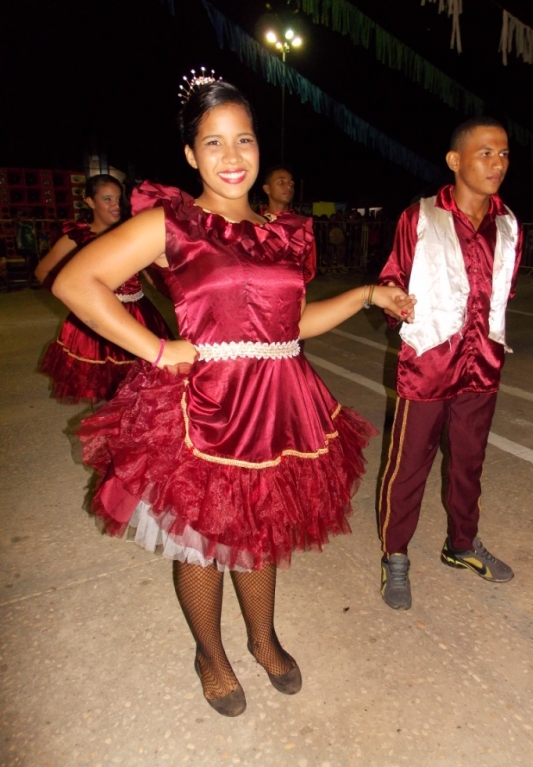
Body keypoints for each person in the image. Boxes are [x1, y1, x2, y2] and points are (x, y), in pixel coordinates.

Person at [52, 76, 415, 717]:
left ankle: (263, 638)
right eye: (213, 142)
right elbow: (77, 282)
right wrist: (159, 351)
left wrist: (365, 295)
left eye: (243, 139)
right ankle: (210, 654)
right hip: (207, 406)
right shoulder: (173, 223)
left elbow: (291, 324)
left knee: (259, 532)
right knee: (201, 541)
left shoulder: (285, 232)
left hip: (280, 402)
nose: (232, 156)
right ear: (191, 155)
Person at [377, 116, 523, 611]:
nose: (497, 163)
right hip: (428, 365)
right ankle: (395, 554)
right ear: (455, 161)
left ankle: (461, 545)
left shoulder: (509, 224)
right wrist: (393, 298)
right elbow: (392, 276)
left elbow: (504, 290)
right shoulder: (419, 216)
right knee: (408, 467)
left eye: (503, 154)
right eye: (485, 153)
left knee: (469, 465)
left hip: (482, 365)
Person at [36, 174, 172, 403]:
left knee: (148, 382)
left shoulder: (131, 231)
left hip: (140, 312)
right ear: (89, 201)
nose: (115, 205)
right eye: (107, 199)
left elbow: (149, 275)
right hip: (99, 316)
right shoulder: (77, 237)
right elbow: (43, 272)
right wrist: (77, 299)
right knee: (103, 388)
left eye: (119, 199)